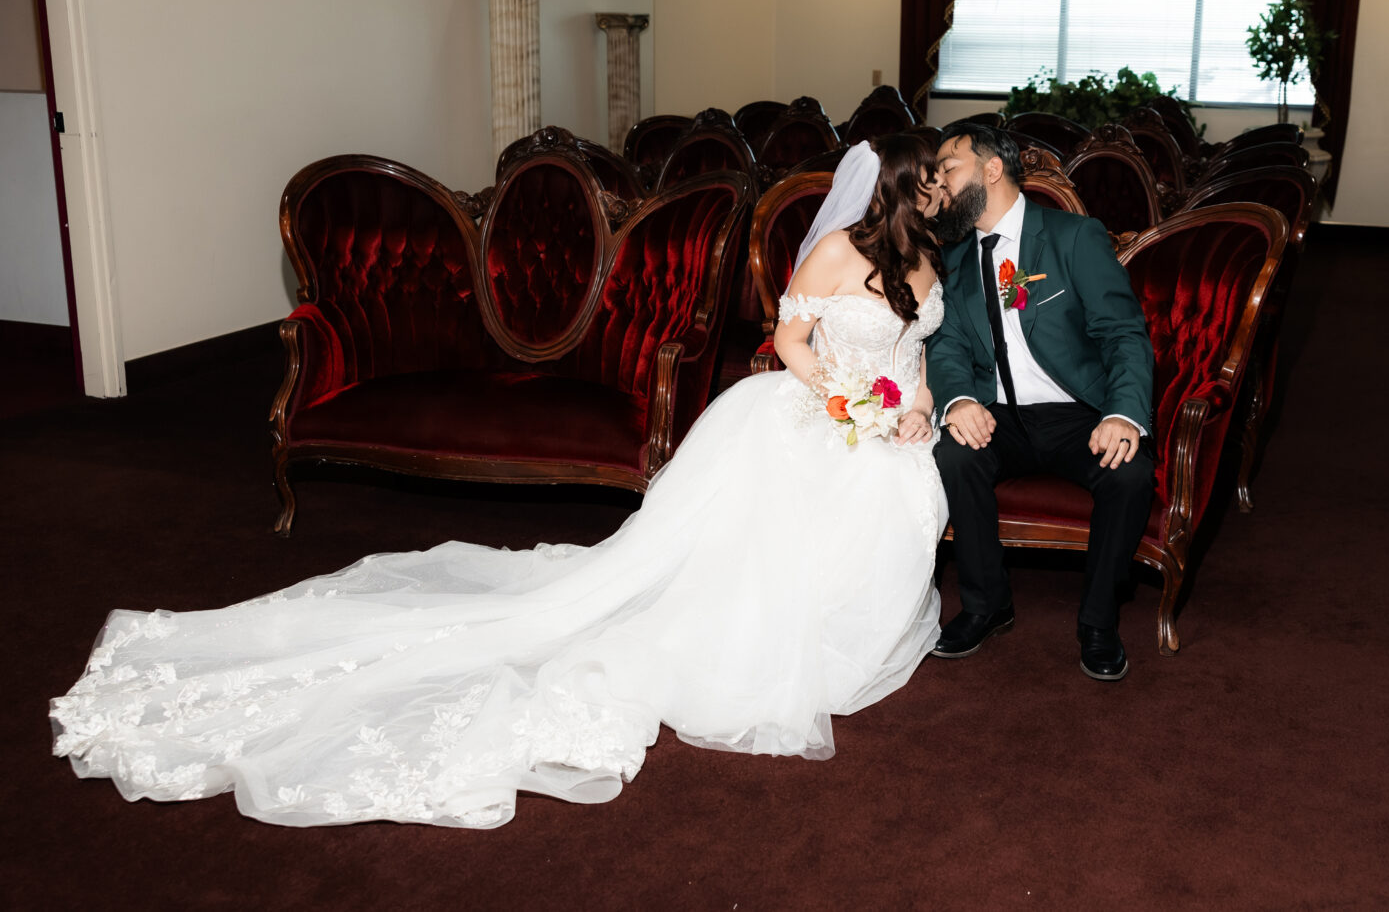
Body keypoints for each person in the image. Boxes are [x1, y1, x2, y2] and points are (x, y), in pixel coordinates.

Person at [49, 136, 950, 829]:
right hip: (810, 411)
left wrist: (908, 407)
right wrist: (849, 402)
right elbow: (793, 342)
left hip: (883, 423)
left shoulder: (927, 261)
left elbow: (913, 352)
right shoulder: (835, 252)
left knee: (891, 496)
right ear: (902, 187)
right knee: (734, 562)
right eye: (936, 181)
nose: (948, 192)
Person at [923, 121, 1154, 681]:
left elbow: (1123, 333)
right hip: (999, 414)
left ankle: (1099, 623)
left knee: (1129, 475)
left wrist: (1122, 414)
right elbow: (947, 345)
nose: (938, 185)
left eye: (948, 168)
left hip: (1077, 414)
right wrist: (955, 402)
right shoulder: (954, 260)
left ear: (992, 169)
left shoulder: (1073, 237)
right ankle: (985, 604)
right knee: (955, 454)